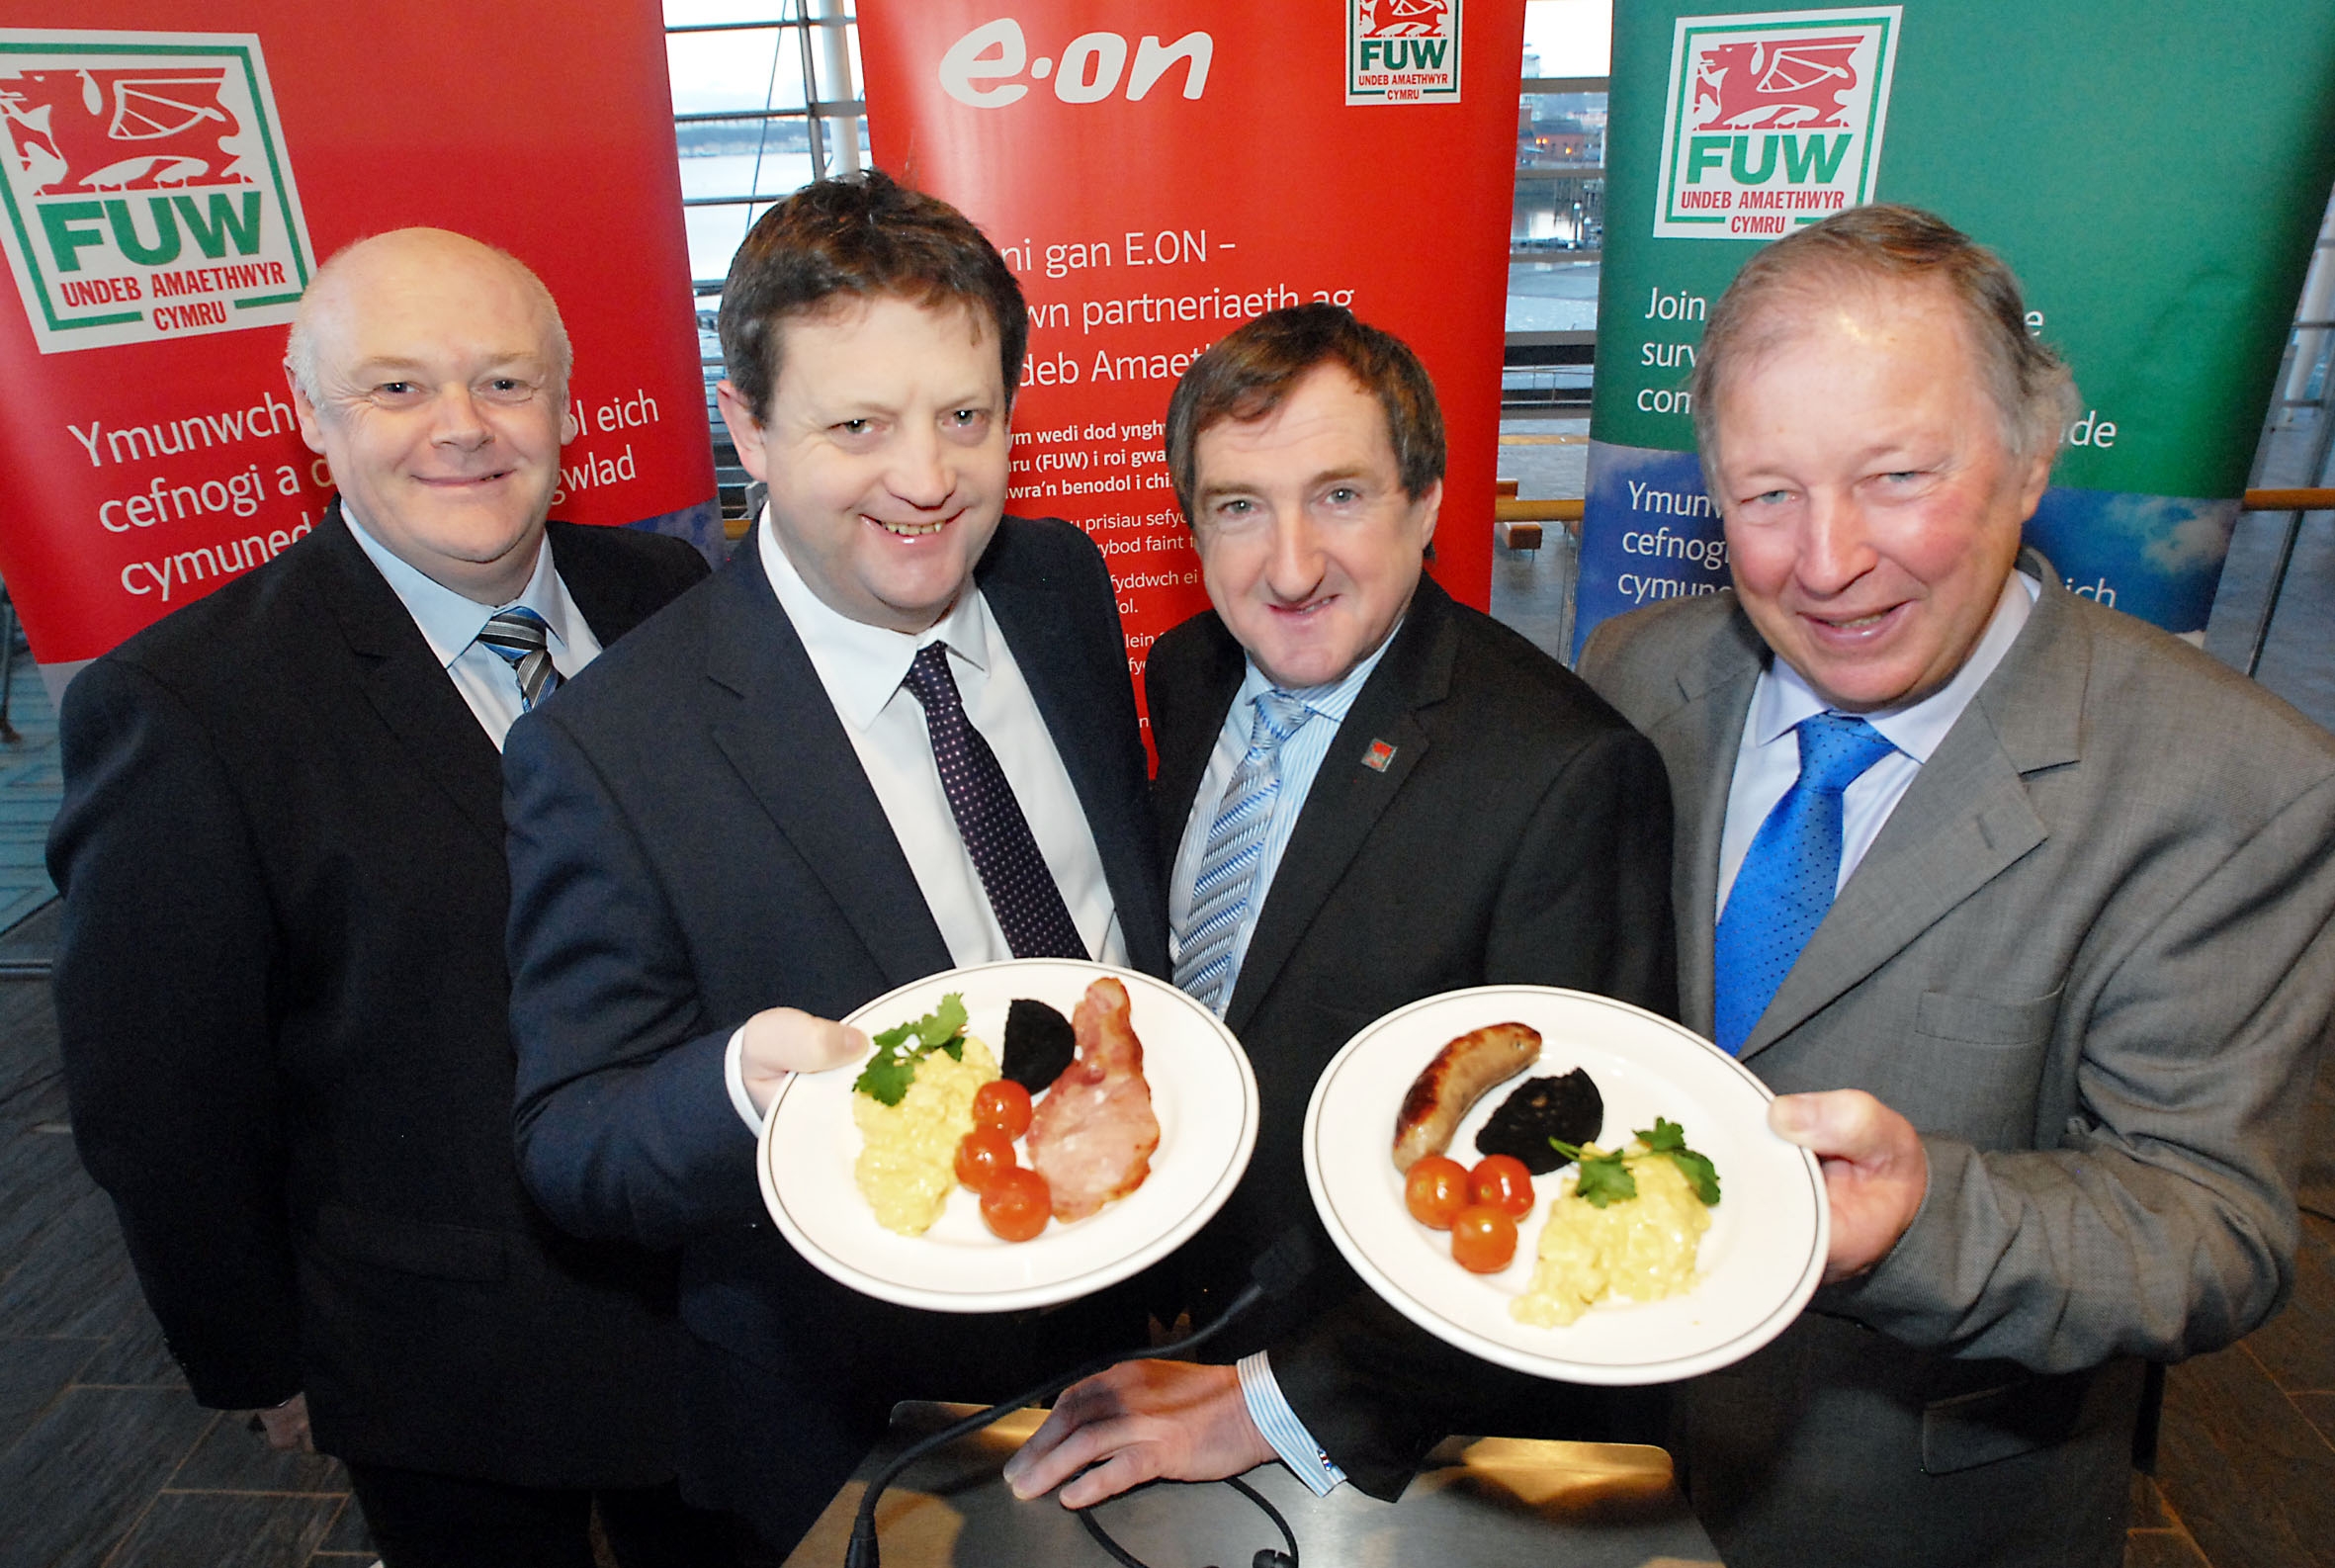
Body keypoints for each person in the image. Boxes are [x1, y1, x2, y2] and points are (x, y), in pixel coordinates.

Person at [1577, 204, 2335, 1568]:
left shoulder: (2234, 785)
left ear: (2030, 455)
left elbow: (2212, 1229)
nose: (1826, 560)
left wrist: (1923, 1218)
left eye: (1896, 476)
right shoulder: (1633, 673)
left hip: (1909, 1510)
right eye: (1766, 492)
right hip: (1585, 1449)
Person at [499, 170, 1168, 1558]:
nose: (924, 479)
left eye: (964, 418)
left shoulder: (1057, 581)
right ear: (745, 423)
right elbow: (568, 1139)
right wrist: (735, 1082)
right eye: (856, 424)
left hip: (1148, 1325)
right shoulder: (612, 746)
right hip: (864, 1407)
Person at [47, 228, 724, 1567]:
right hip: (452, 1364)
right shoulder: (191, 707)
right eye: (398, 388)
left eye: (506, 383)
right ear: (310, 420)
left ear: (570, 406)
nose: (463, 429)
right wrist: (254, 1353)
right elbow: (161, 1090)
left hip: (729, 1298)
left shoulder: (672, 598)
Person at [1002, 304, 1677, 1508]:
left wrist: (1270, 1399)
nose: (1291, 563)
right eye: (1238, 506)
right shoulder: (1191, 667)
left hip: (1387, 1421)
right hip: (1162, 1327)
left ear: (1425, 502)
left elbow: (1553, 1192)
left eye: (1341, 495)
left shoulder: (1563, 771)